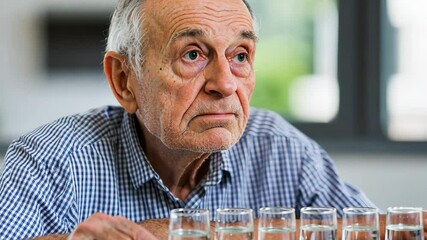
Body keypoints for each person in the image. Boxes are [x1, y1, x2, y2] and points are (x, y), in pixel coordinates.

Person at [0, 0, 382, 239]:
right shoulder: (49, 160)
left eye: (240, 55)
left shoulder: (280, 149)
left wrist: (173, 234)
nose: (226, 83)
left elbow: (381, 231)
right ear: (124, 80)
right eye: (193, 55)